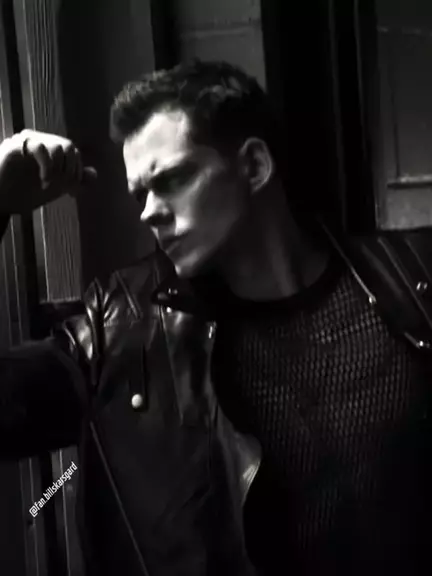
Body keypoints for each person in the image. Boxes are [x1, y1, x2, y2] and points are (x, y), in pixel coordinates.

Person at [0, 60, 431, 576]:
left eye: (172, 179)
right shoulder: (118, 328)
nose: (148, 212)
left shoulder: (414, 280)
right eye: (141, 194)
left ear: (254, 166)